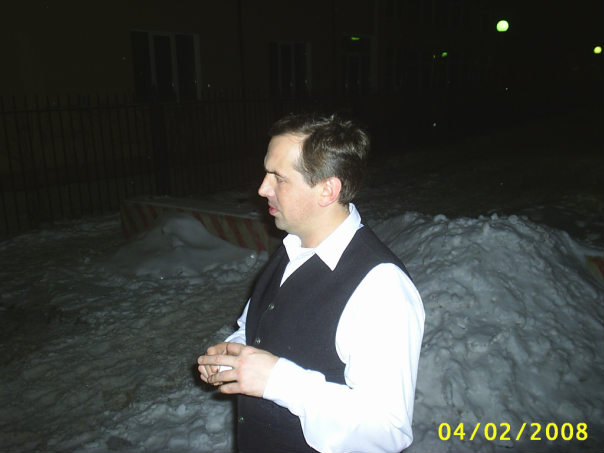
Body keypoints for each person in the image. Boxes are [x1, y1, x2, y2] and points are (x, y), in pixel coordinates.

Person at [198, 112, 425, 453]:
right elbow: (254, 328)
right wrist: (234, 353)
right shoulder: (292, 247)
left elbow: (387, 430)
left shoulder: (381, 287)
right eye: (266, 172)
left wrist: (278, 381)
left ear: (327, 190)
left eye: (279, 178)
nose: (262, 188)